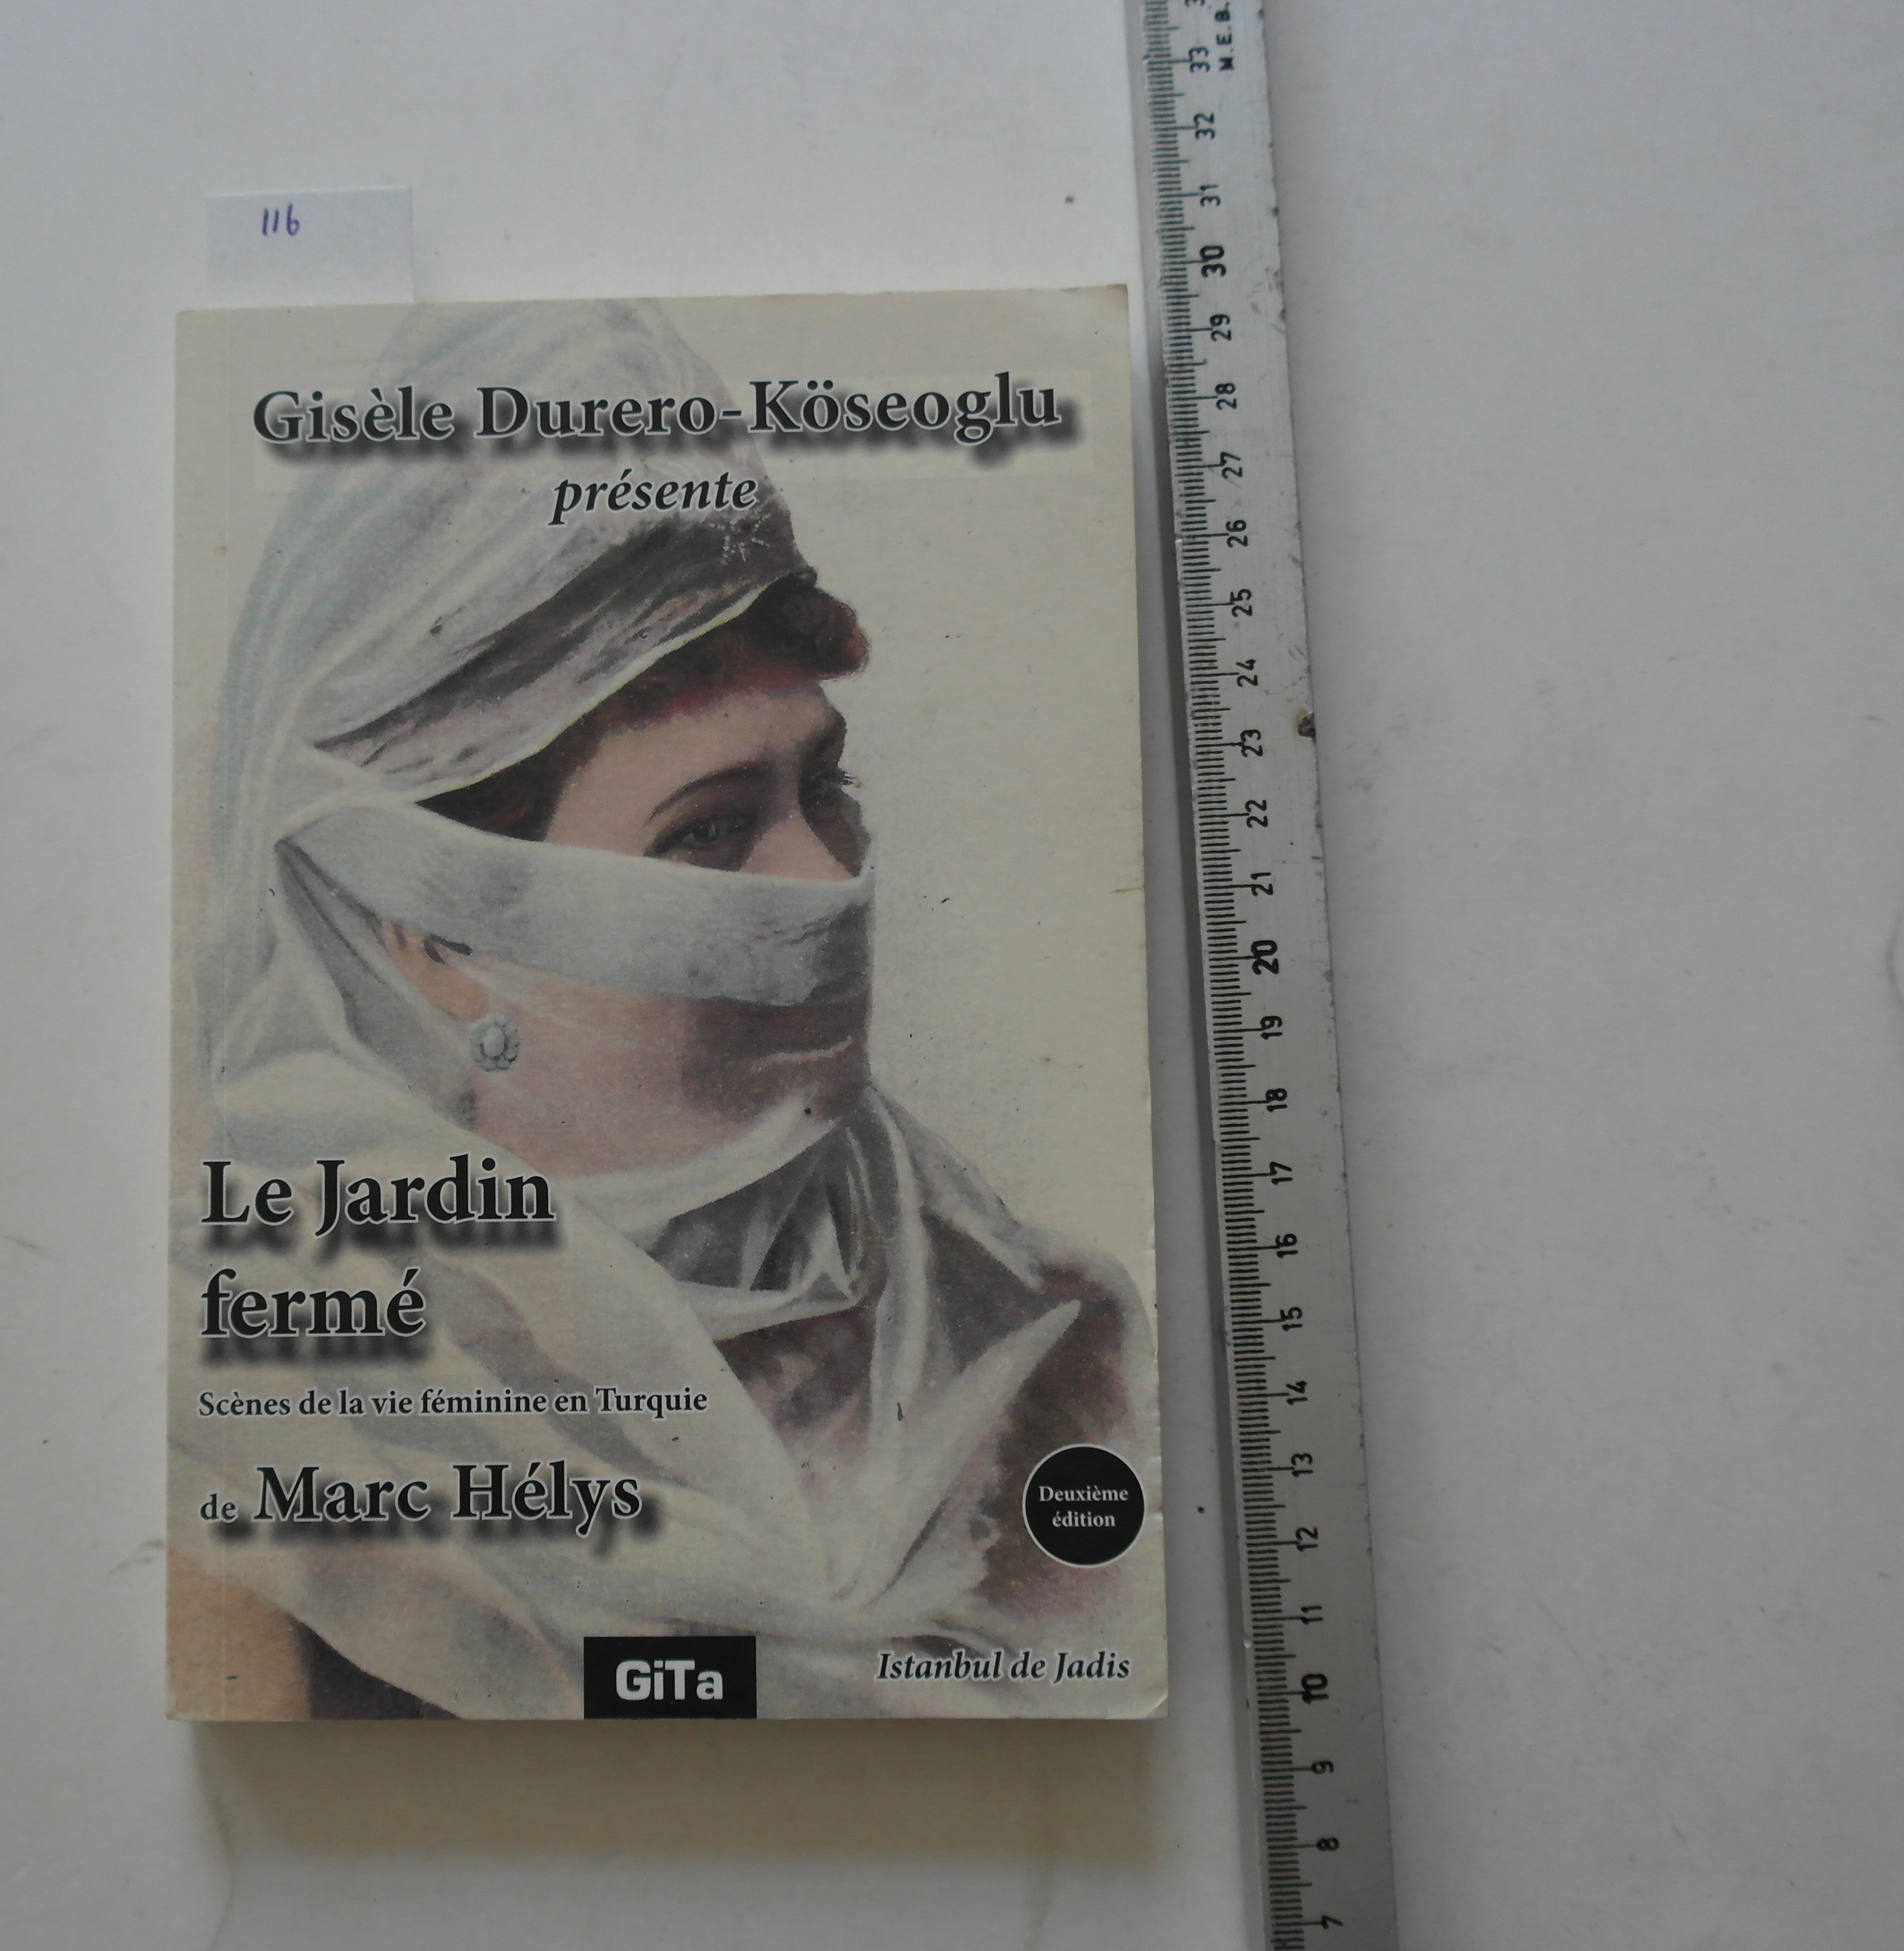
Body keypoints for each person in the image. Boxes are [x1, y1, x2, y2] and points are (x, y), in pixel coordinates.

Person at [170, 300, 1161, 1718]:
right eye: (708, 832)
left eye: (825, 789)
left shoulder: (1055, 1345)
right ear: (440, 935)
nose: (826, 880)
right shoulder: (266, 1431)